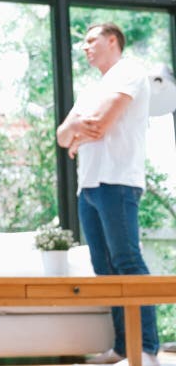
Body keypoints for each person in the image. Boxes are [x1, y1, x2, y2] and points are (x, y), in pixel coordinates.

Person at [56, 22, 159, 366]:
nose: (84, 47)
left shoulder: (129, 72)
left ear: (112, 40)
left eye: (90, 41)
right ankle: (123, 347)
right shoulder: (91, 89)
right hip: (89, 186)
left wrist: (78, 134)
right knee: (105, 269)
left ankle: (145, 348)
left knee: (127, 261)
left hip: (118, 181)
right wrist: (74, 133)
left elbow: (99, 125)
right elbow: (61, 136)